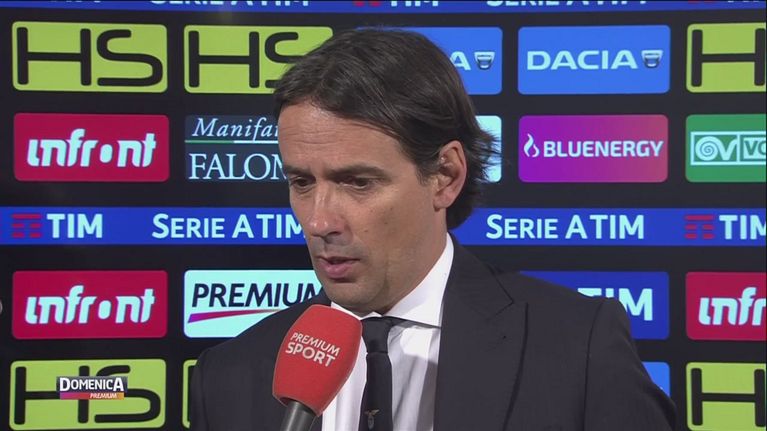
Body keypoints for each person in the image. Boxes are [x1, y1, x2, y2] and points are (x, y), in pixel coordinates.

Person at [190, 29, 676, 431]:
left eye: (358, 182)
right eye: (301, 182)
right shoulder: (231, 374)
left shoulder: (577, 348)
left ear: (445, 176)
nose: (319, 222)